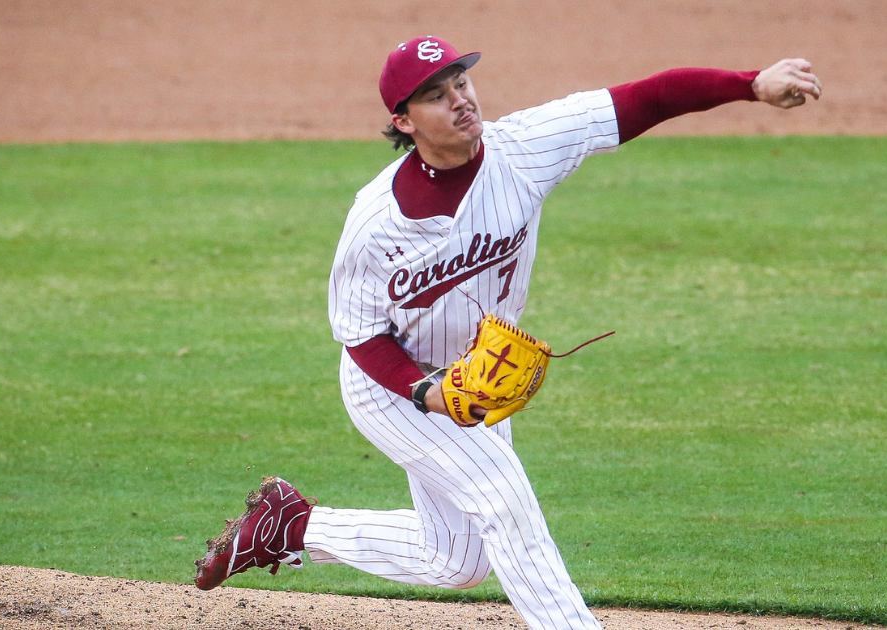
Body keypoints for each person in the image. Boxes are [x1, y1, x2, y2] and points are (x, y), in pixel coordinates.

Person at [195, 36, 821, 630]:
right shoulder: (374, 223)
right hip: (391, 389)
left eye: (461, 83)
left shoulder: (523, 147)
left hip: (479, 382)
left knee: (458, 563)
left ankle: (293, 529)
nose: (461, 99)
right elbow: (360, 337)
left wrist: (751, 85)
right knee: (504, 499)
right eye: (437, 94)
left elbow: (643, 99)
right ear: (404, 119)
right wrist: (423, 392)